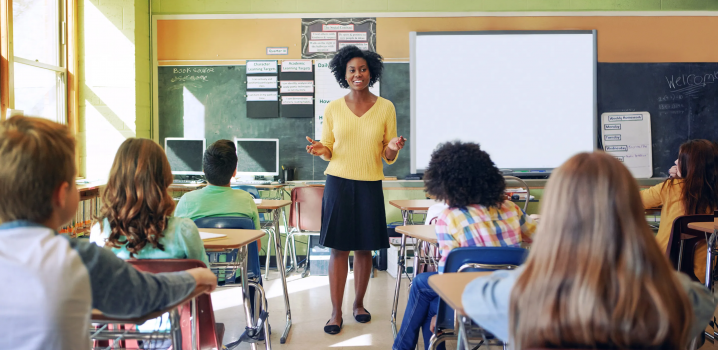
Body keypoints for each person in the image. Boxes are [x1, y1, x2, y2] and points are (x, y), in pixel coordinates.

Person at [0, 116, 217, 350]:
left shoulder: (98, 233)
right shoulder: (79, 259)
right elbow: (144, 295)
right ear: (62, 195)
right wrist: (198, 276)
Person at [462, 152, 715, 349]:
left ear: (557, 214)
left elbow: (471, 294)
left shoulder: (509, 295)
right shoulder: (684, 299)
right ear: (631, 211)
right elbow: (702, 305)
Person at [393, 141, 536, 350]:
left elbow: (448, 279)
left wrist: (441, 317)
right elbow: (543, 239)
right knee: (424, 293)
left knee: (424, 296)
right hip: (512, 304)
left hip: (470, 308)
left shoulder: (450, 218)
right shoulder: (510, 208)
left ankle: (401, 347)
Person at [305, 45, 406, 334]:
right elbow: (329, 149)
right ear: (344, 74)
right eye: (352, 70)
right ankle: (335, 312)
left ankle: (358, 304)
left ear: (370, 71)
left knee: (364, 248)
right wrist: (319, 149)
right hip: (338, 183)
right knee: (339, 249)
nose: (358, 74)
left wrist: (392, 147)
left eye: (362, 69)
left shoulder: (386, 107)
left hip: (370, 184)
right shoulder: (333, 107)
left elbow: (387, 155)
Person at [90, 138, 210, 268]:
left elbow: (97, 283)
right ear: (165, 178)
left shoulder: (100, 231)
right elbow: (206, 283)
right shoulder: (184, 231)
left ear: (116, 180)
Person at [641, 139, 718, 283]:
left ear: (692, 166)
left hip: (662, 272)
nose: (676, 162)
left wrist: (674, 180)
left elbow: (636, 199)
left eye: (680, 159)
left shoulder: (671, 188)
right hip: (701, 278)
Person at [174, 139, 260, 226]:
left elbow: (177, 238)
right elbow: (256, 239)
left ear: (204, 170)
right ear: (234, 172)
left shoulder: (187, 201)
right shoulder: (246, 200)